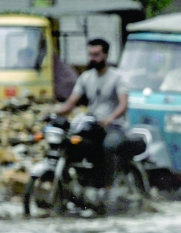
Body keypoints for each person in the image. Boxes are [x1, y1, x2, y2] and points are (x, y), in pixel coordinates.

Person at [55, 38, 128, 187]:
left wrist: (110, 118)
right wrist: (53, 113)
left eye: (96, 54)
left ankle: (108, 186)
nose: (92, 58)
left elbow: (123, 105)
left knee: (109, 146)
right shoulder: (85, 77)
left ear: (106, 55)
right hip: (93, 126)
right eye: (90, 55)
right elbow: (71, 103)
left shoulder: (117, 77)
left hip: (114, 127)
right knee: (71, 143)